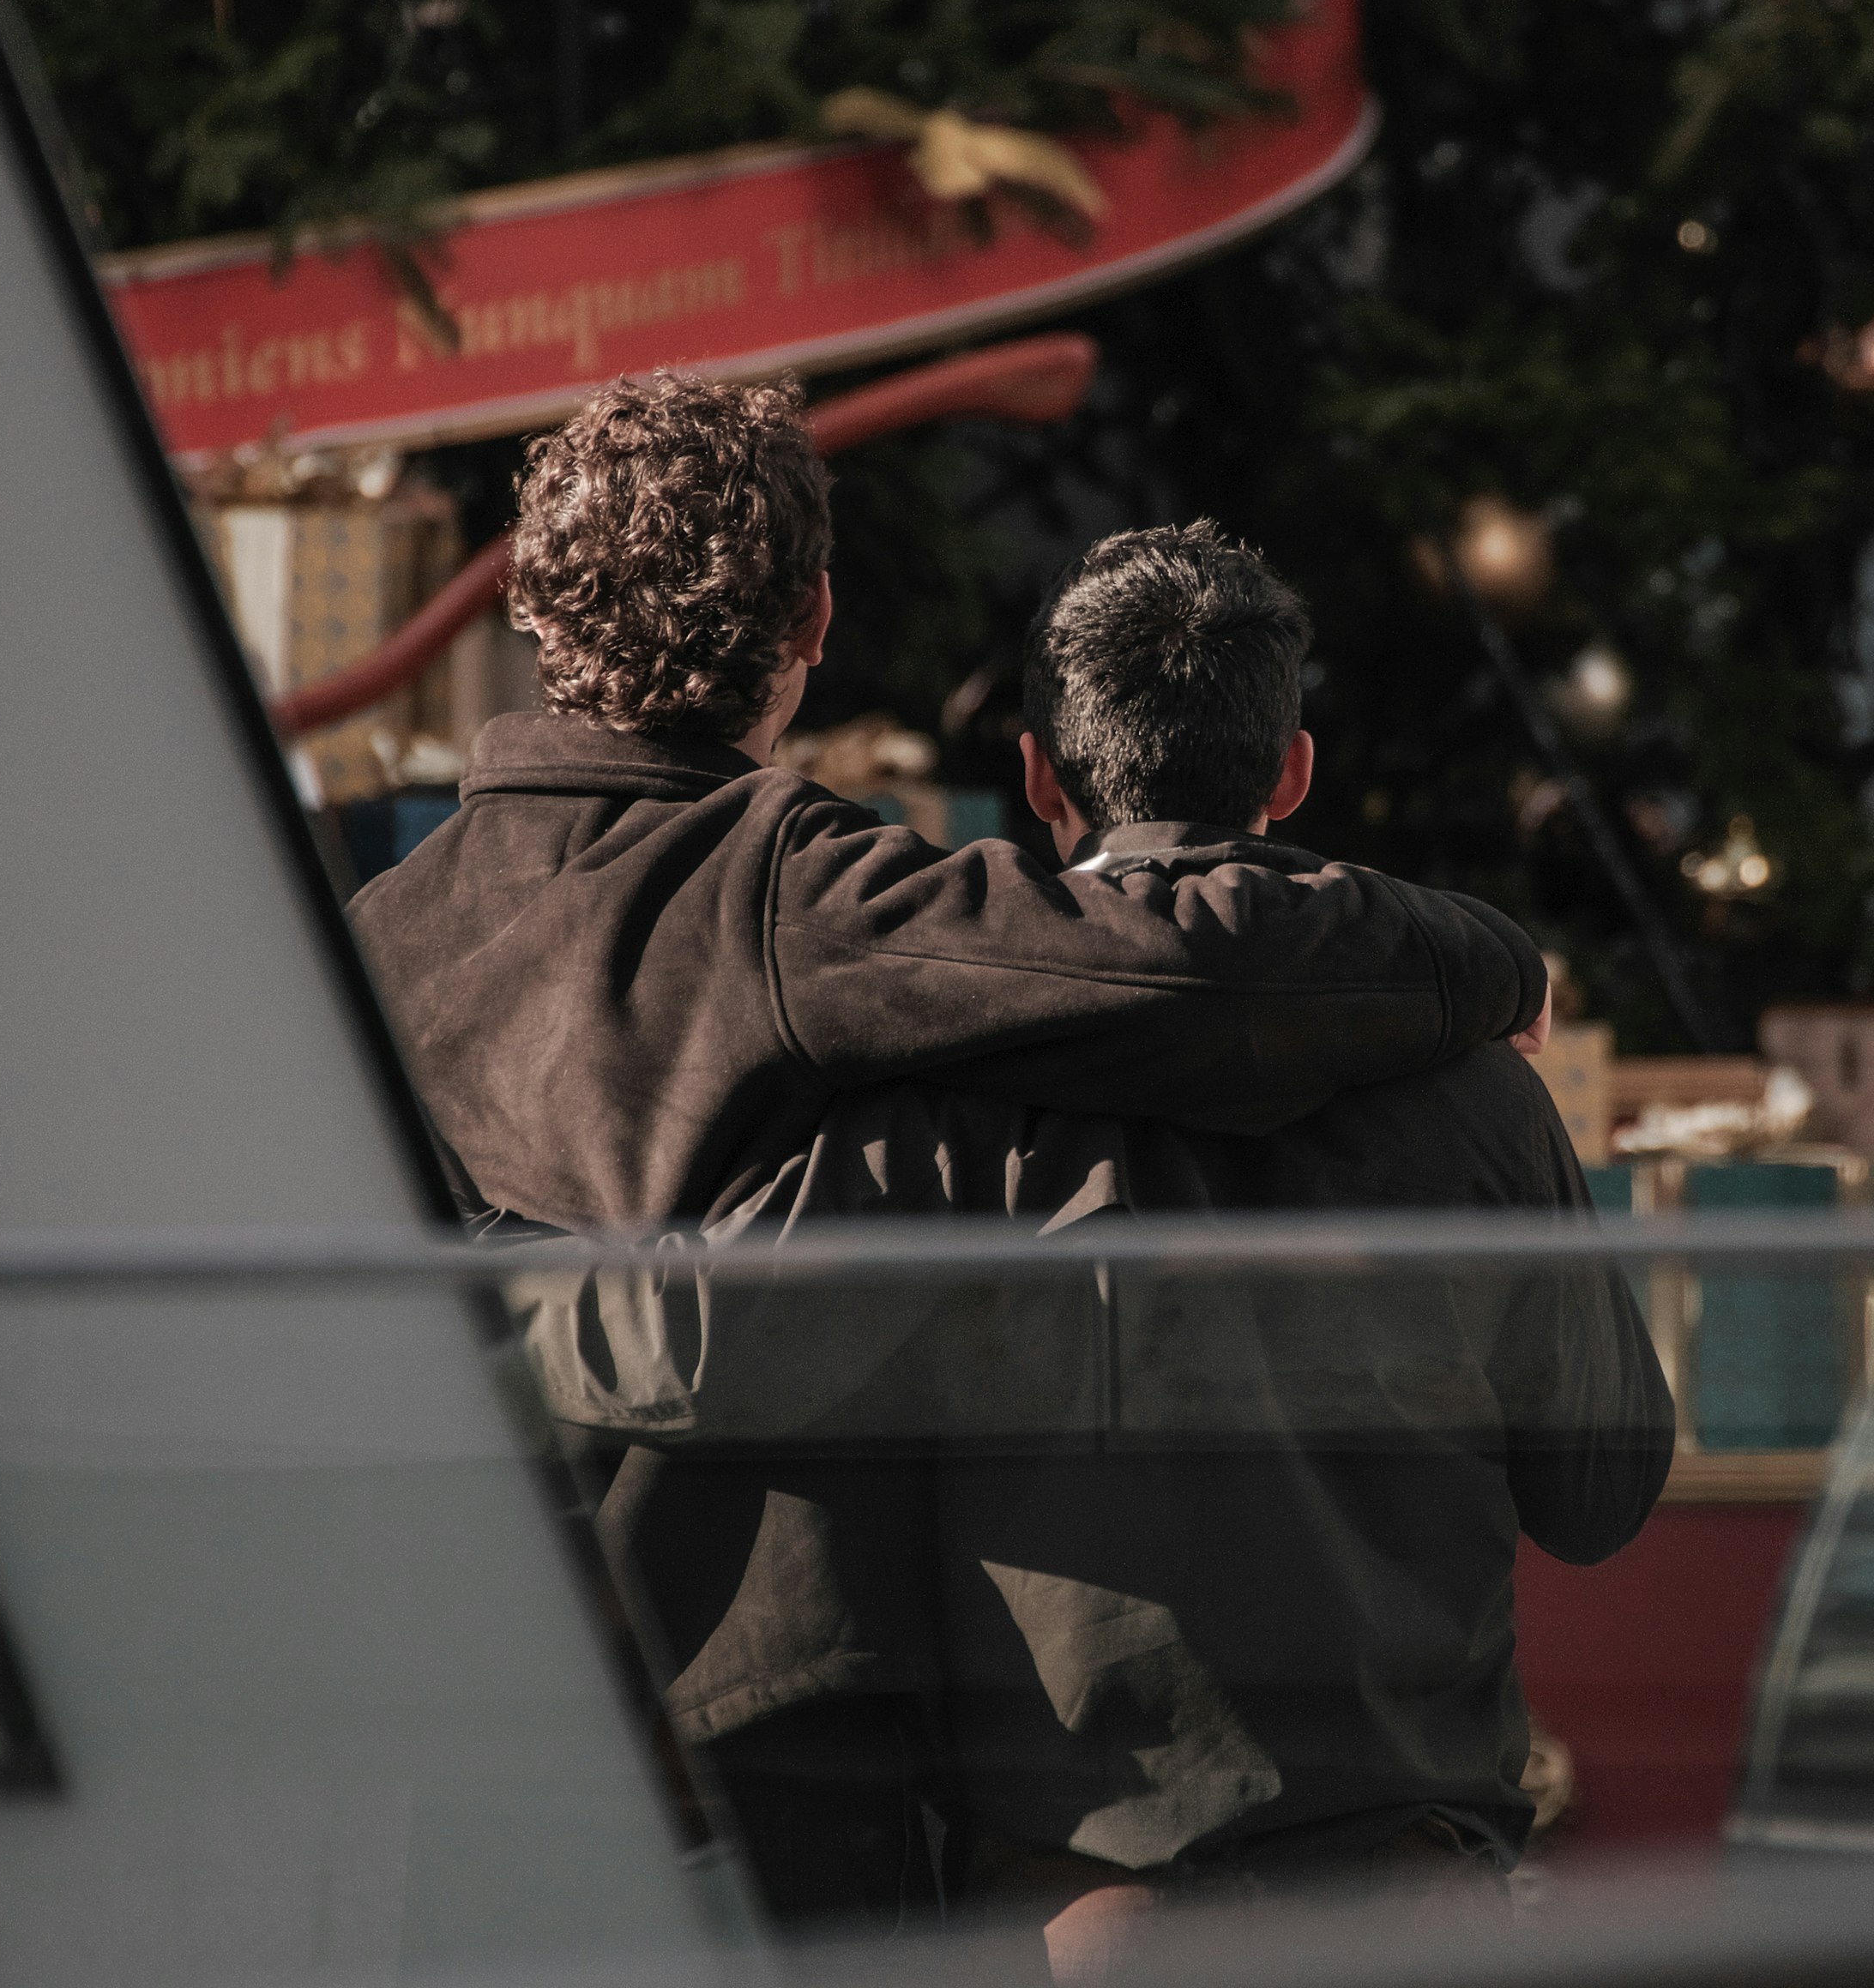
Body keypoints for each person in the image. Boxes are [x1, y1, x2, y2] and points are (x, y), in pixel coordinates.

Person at [343, 373, 1556, 1925]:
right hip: (767, 1731)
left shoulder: (375, 942)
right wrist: (1486, 962)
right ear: (813, 625)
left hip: (453, 1705)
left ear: (526, 605)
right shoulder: (806, 898)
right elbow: (1181, 952)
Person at [903, 525, 1673, 1968]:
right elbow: (1601, 1492)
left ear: (1039, 778)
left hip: (1077, 1896)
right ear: (1293, 772)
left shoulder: (951, 1086)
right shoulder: (1482, 1090)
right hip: (1402, 1881)